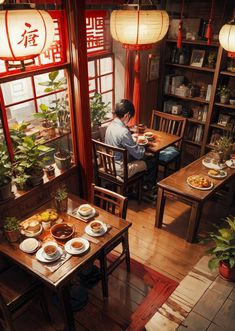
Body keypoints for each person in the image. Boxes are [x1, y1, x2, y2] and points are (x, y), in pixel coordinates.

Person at [105, 99, 158, 198]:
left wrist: (132, 141)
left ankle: (139, 187)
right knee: (152, 160)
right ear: (127, 115)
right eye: (130, 117)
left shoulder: (110, 126)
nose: (129, 119)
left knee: (136, 157)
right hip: (121, 169)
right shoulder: (124, 131)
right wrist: (142, 144)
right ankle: (147, 191)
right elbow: (139, 154)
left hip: (109, 164)